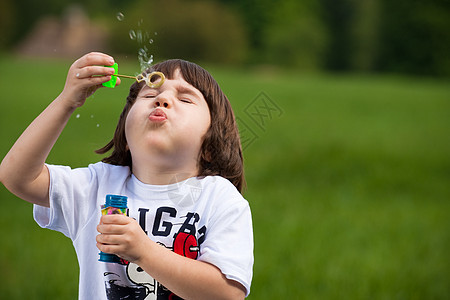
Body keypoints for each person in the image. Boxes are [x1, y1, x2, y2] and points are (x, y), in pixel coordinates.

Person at [0, 52, 253, 299]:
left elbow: (227, 293)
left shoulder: (219, 199)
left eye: (185, 99)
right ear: (127, 138)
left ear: (210, 146)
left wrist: (144, 253)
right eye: (150, 94)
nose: (162, 99)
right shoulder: (97, 186)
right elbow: (17, 177)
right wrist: (67, 101)